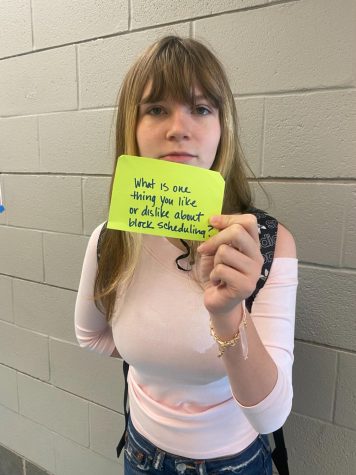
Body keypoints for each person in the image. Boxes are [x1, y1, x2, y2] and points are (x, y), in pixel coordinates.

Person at [75, 36, 298, 475]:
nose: (178, 127)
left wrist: (230, 312)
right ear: (132, 128)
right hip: (140, 454)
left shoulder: (268, 245)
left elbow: (271, 416)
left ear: (222, 128)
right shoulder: (111, 238)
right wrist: (161, 354)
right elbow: (92, 336)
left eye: (200, 108)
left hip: (234, 464)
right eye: (156, 108)